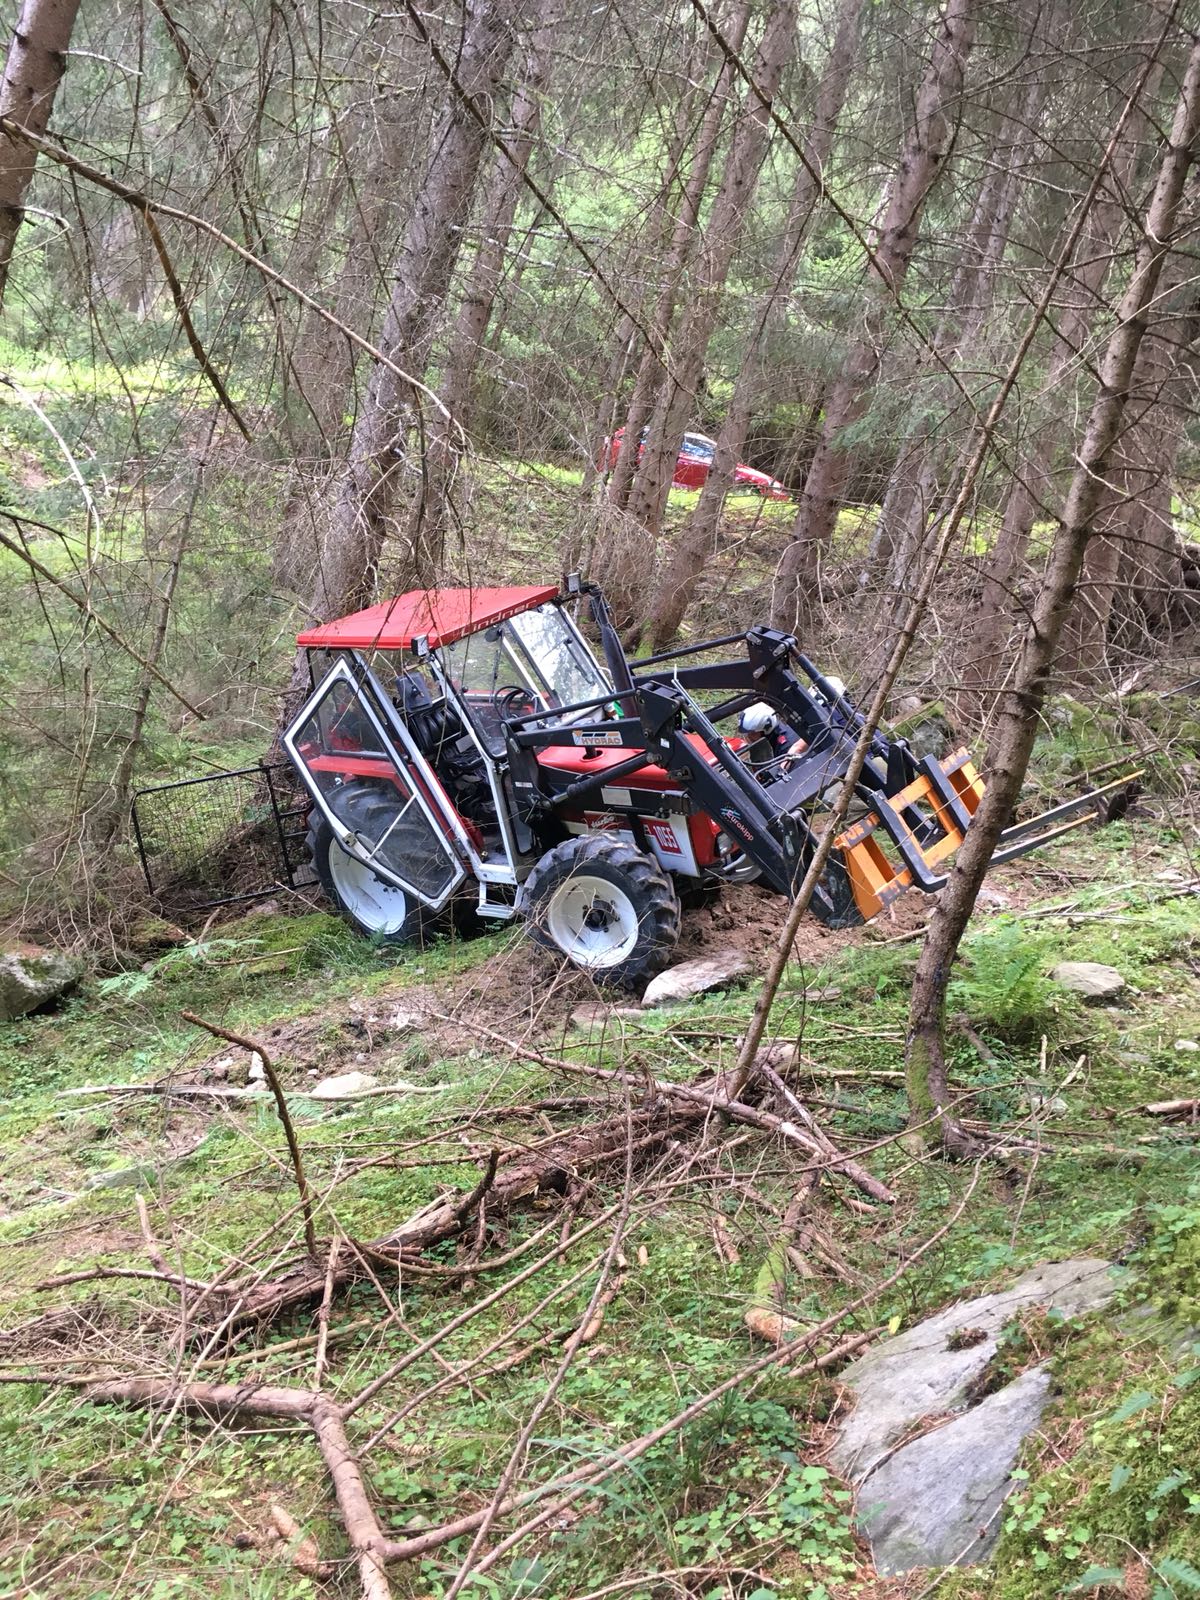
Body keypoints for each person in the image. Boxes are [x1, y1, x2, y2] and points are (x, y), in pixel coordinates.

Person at [738, 702, 808, 771]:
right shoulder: (772, 742)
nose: (749, 736)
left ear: (765, 729)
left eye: (752, 733)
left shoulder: (786, 745)